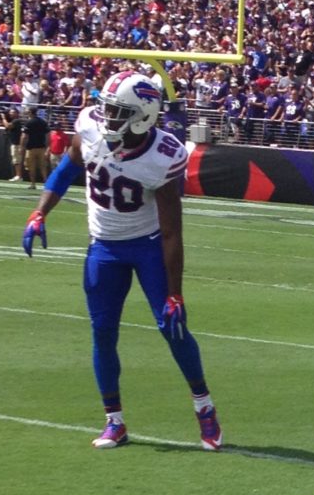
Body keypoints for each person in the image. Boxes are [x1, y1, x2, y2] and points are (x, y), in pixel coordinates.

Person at [21, 69, 223, 451]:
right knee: (102, 332)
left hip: (147, 246)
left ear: (143, 115)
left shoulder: (163, 155)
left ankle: (204, 408)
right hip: (104, 247)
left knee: (172, 328)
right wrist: (39, 212)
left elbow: (171, 231)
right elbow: (67, 168)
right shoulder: (91, 127)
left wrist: (175, 292)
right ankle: (114, 420)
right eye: (107, 109)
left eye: (118, 111)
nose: (107, 117)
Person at [18, 107, 49, 191]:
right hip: (41, 147)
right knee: (43, 167)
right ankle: (46, 183)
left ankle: (33, 184)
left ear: (30, 113)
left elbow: (24, 136)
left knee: (31, 167)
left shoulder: (29, 122)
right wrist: (47, 146)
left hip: (31, 148)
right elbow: (47, 135)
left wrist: (21, 147)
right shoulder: (43, 122)